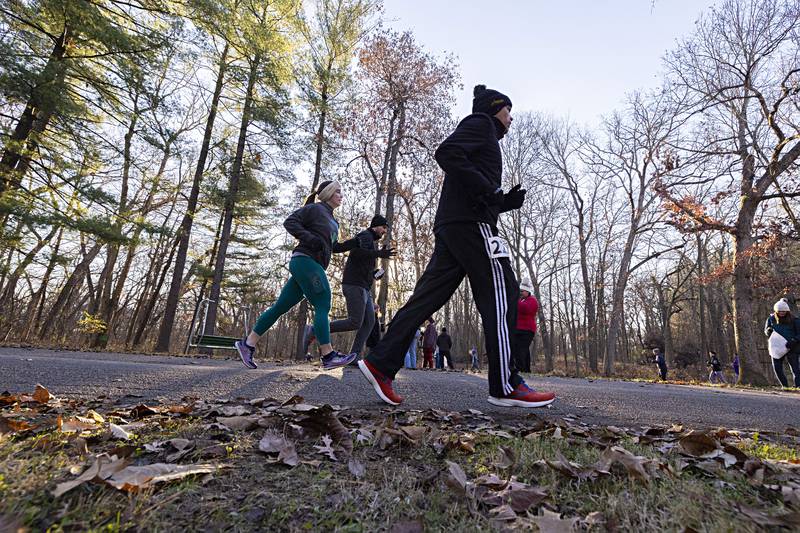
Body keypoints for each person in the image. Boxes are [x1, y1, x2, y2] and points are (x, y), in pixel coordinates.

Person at [357, 84, 555, 408]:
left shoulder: (484, 135)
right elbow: (446, 154)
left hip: (458, 224)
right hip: (471, 226)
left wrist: (503, 202)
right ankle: (505, 383)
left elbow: (473, 189)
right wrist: (489, 192)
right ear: (495, 109)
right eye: (508, 111)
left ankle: (380, 364)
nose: (511, 119)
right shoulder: (480, 125)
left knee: (426, 298)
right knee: (504, 291)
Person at [235, 181, 357, 370]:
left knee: (280, 307)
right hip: (305, 260)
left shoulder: (333, 221)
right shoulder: (315, 209)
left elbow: (332, 247)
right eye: (338, 192)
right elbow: (290, 222)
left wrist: (354, 243)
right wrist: (309, 238)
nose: (341, 195)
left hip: (311, 264)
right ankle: (328, 355)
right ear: (329, 193)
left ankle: (248, 344)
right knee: (323, 302)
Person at [302, 215, 395, 360]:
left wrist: (375, 274)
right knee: (355, 321)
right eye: (383, 227)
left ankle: (354, 356)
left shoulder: (370, 241)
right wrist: (378, 254)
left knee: (369, 321)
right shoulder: (365, 236)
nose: (384, 231)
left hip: (364, 287)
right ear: (376, 226)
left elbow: (363, 263)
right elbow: (356, 253)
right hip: (354, 284)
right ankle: (315, 329)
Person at [765, 298, 800, 387]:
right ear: (776, 311)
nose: (782, 313)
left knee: (795, 369)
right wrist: (768, 331)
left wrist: (794, 340)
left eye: (784, 311)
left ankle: (798, 386)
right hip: (777, 347)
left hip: (792, 347)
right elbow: (766, 330)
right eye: (780, 311)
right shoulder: (771, 319)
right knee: (777, 368)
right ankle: (785, 386)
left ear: (787, 311)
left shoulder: (795, 320)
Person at [512, 281, 538, 373]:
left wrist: (515, 301)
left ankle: (520, 369)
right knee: (523, 349)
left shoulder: (532, 300)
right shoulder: (520, 300)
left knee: (521, 349)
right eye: (520, 291)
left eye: (522, 291)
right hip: (518, 329)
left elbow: (526, 309)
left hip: (527, 330)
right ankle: (526, 370)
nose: (521, 293)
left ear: (527, 291)